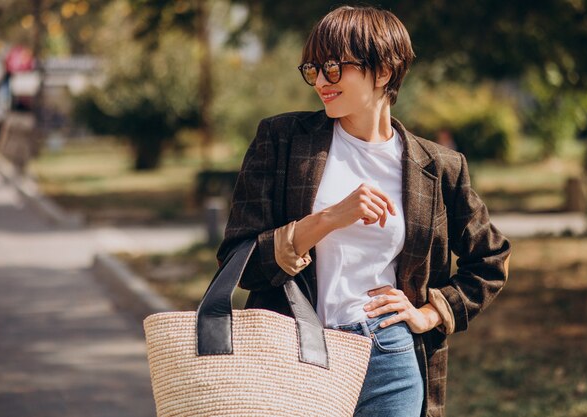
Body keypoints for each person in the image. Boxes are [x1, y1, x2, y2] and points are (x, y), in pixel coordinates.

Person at [216, 5, 511, 417]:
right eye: (313, 70)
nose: (320, 81)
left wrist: (431, 312)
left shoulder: (438, 165)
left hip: (388, 358)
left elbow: (491, 257)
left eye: (334, 68)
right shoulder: (282, 140)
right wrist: (328, 219)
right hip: (294, 356)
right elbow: (239, 261)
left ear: (384, 72)